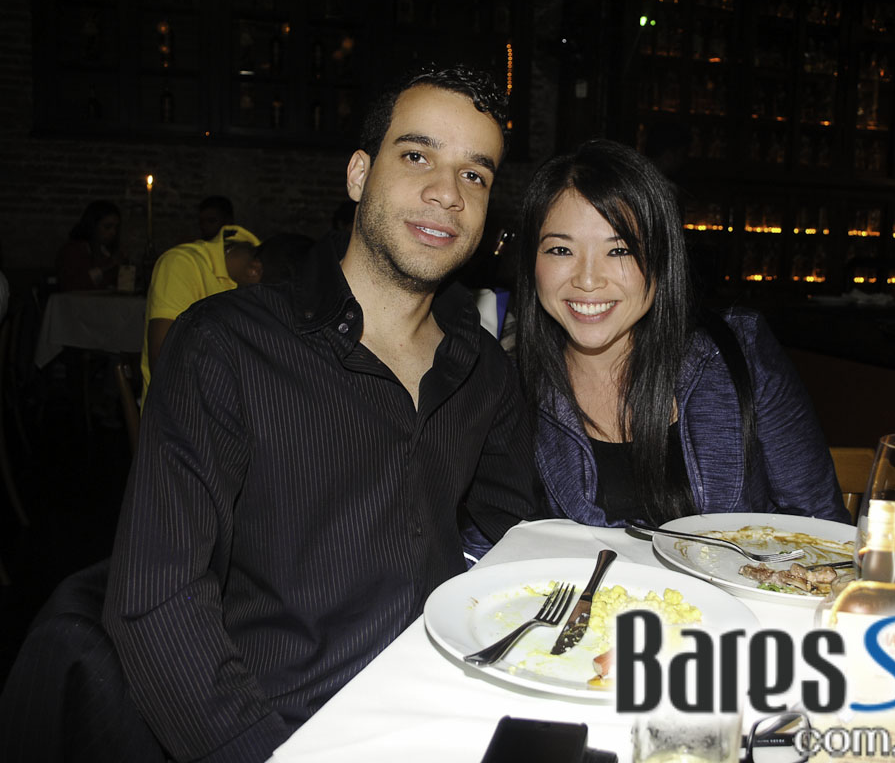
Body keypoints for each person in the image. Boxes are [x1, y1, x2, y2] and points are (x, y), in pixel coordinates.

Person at [103, 65, 539, 762]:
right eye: (417, 156)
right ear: (360, 174)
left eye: (474, 174)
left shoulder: (482, 370)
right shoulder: (227, 345)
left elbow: (521, 534)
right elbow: (155, 601)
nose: (447, 193)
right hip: (284, 729)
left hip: (446, 711)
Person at [514, 139, 848, 527]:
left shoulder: (740, 352)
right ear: (531, 261)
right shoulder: (510, 389)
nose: (588, 280)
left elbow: (821, 526)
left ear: (661, 260)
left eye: (619, 250)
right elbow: (490, 540)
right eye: (560, 250)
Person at [140, 225, 262, 403]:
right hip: (181, 407)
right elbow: (164, 362)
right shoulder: (183, 263)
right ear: (255, 270)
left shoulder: (263, 270)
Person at [57, 200, 124, 291]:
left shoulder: (108, 252)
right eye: (107, 227)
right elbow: (71, 286)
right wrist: (108, 266)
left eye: (116, 228)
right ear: (93, 226)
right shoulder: (72, 251)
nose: (113, 232)